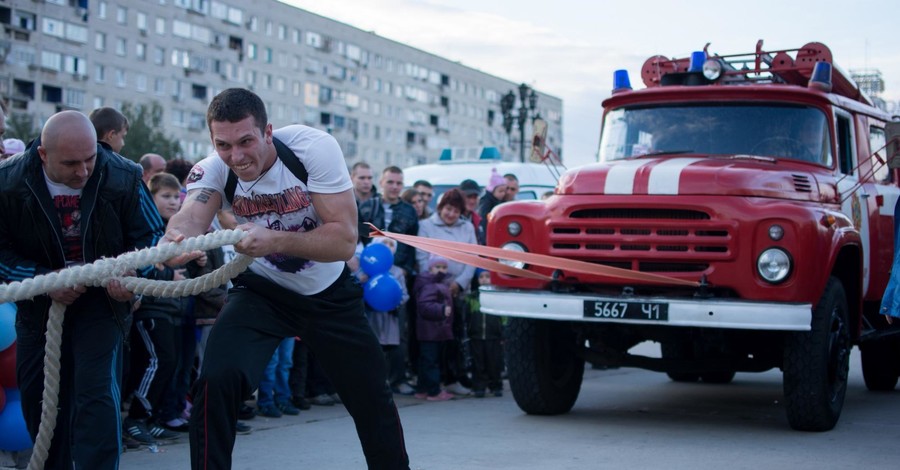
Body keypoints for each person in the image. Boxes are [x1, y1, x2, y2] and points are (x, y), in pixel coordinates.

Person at [162, 88, 408, 469]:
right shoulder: (212, 168)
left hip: (327, 293)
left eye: (246, 141)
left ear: (268, 132)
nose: (237, 156)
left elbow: (344, 241)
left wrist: (274, 238)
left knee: (371, 394)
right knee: (217, 380)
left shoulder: (312, 150)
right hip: (262, 292)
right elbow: (190, 216)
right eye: (224, 145)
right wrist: (174, 241)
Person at [0, 110, 164, 469]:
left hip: (102, 301)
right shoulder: (7, 182)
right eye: (71, 163)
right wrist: (45, 280)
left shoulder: (123, 175)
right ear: (43, 155)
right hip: (39, 304)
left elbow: (151, 236)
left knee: (95, 394)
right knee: (41, 400)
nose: (84, 171)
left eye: (90, 159)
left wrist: (132, 272)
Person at [123, 172, 185, 444]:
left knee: (167, 363)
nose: (173, 202)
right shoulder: (148, 233)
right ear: (151, 197)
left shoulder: (175, 230)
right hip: (150, 308)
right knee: (158, 361)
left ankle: (151, 418)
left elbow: (186, 270)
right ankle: (135, 418)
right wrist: (169, 275)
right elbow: (144, 270)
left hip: (171, 308)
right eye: (166, 196)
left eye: (176, 197)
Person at [416, 189, 477, 396]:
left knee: (455, 338)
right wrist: (437, 285)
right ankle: (431, 383)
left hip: (457, 291)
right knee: (432, 342)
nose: (451, 214)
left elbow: (473, 258)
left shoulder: (467, 227)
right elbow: (422, 257)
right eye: (448, 209)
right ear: (441, 208)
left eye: (456, 211)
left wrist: (459, 284)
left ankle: (452, 378)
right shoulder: (426, 226)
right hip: (434, 293)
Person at [412, 255, 455, 402]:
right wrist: (442, 309)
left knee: (427, 360)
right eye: (437, 267)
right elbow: (424, 305)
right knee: (432, 361)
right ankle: (433, 391)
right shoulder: (430, 284)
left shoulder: (437, 283)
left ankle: (422, 389)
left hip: (434, 330)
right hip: (431, 329)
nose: (441, 270)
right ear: (430, 268)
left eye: (444, 267)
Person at [464, 269, 504, 398]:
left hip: (494, 336)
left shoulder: (497, 297)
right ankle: (479, 387)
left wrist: (504, 332)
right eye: (481, 277)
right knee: (478, 363)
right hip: (476, 336)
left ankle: (496, 386)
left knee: (494, 363)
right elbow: (467, 316)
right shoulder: (472, 298)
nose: (484, 279)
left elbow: (504, 317)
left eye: (487, 276)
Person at [477, 168, 508, 237]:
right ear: (492, 190)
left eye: (504, 191)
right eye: (500, 191)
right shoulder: (486, 202)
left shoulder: (500, 201)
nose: (503, 194)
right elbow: (484, 219)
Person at [458, 179, 484, 244]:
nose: (472, 201)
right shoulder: (451, 218)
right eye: (468, 197)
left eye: (475, 197)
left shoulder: (479, 220)